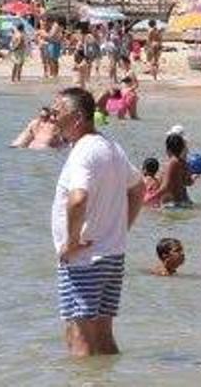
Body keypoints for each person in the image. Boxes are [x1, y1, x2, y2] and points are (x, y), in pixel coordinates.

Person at [50, 87, 144, 358]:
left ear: (77, 117)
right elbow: (138, 189)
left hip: (85, 259)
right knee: (103, 336)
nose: (53, 118)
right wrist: (120, 229)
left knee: (79, 337)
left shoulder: (83, 151)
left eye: (58, 113)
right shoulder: (111, 146)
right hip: (112, 255)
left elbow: (77, 199)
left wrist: (70, 243)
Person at [146, 133, 194, 208]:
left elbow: (166, 187)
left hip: (173, 205)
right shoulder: (183, 163)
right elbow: (188, 182)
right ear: (182, 148)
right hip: (184, 202)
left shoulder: (172, 163)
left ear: (168, 149)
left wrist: (149, 199)